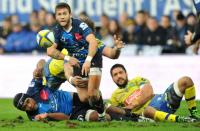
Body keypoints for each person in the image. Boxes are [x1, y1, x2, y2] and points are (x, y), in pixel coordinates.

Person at [46, 2, 104, 115]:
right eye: (59, 14)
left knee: (92, 94)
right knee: (84, 98)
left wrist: (88, 60)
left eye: (64, 13)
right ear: (56, 16)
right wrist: (67, 57)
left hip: (92, 58)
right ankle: (99, 100)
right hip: (77, 61)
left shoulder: (80, 25)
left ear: (70, 15)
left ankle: (101, 113)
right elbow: (49, 51)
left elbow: (93, 41)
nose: (62, 16)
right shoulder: (57, 31)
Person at [13, 59, 105, 121]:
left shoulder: (33, 90)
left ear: (28, 96)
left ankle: (106, 108)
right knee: (94, 116)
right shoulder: (34, 117)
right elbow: (65, 117)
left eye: (28, 101)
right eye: (25, 107)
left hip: (73, 98)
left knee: (103, 105)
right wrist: (48, 115)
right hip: (72, 113)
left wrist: (39, 69)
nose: (29, 106)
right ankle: (104, 116)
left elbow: (42, 61)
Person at [108, 64, 200, 122]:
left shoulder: (136, 80)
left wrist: (134, 104)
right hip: (147, 113)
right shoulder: (114, 96)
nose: (119, 76)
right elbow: (114, 113)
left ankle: (194, 114)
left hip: (163, 100)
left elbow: (149, 91)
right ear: (112, 78)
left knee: (186, 80)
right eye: (115, 75)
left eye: (121, 72)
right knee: (148, 110)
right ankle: (184, 120)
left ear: (126, 73)